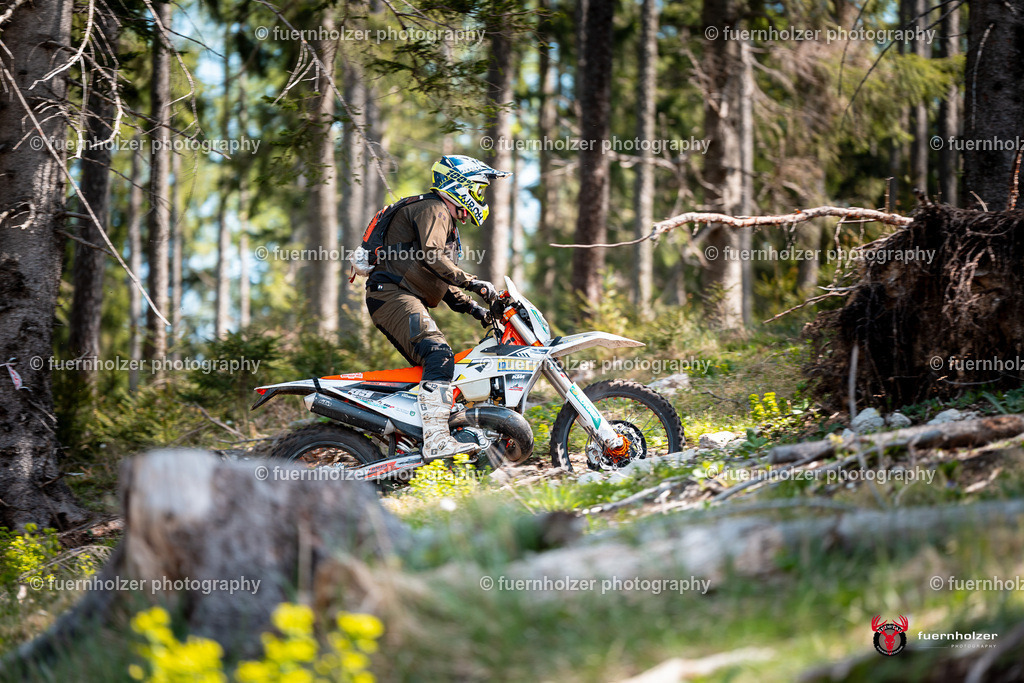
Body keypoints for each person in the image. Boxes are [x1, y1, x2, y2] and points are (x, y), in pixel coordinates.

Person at [364, 154, 510, 459]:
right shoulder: (435, 209)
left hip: (396, 295)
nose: (480, 197)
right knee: (439, 355)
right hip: (392, 295)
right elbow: (433, 258)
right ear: (460, 186)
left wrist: (477, 310)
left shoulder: (440, 216)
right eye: (478, 189)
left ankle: (412, 437)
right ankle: (436, 440)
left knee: (433, 369)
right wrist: (475, 283)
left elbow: (437, 280)